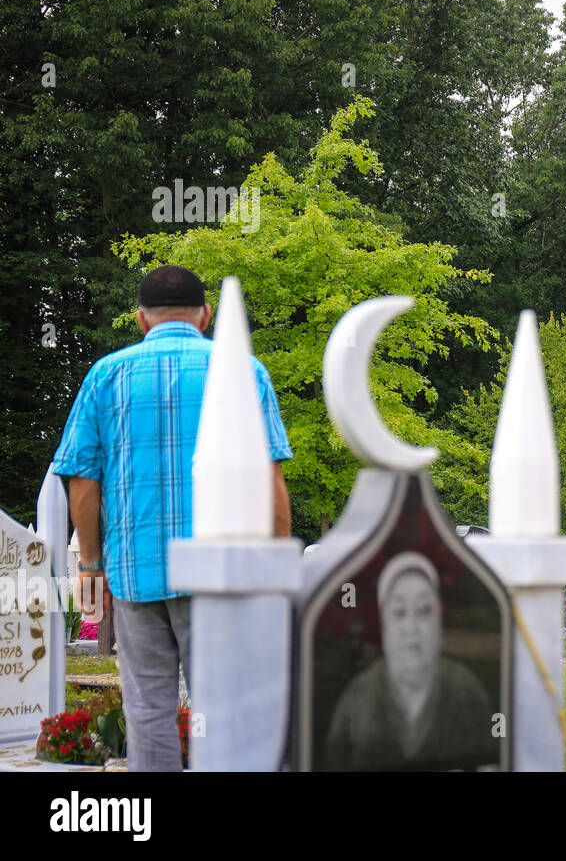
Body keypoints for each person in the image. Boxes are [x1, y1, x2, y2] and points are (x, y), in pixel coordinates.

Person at [51, 265, 292, 771]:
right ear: (206, 316)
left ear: (141, 320)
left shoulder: (106, 375)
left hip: (137, 574)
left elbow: (82, 481)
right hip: (221, 579)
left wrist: (92, 565)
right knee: (224, 710)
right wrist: (275, 569)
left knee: (147, 711)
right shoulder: (245, 373)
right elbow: (269, 478)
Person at [324, 551, 496, 771]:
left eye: (423, 611)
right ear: (383, 623)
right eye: (399, 612)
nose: (411, 628)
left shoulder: (466, 691)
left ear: (437, 621)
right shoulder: (358, 697)